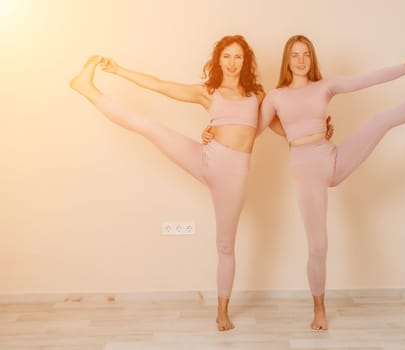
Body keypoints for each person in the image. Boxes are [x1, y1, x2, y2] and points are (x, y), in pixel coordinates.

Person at [254, 35, 405, 330]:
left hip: (333, 159)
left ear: (312, 58)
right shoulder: (275, 96)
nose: (301, 61)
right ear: (286, 60)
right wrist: (217, 130)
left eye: (306, 55)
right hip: (305, 170)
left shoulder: (324, 87)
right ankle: (319, 311)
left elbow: (369, 79)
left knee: (380, 120)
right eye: (295, 55)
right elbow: (253, 128)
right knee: (318, 246)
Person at [70, 35, 270, 331]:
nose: (231, 63)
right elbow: (160, 85)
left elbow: (276, 122)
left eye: (237, 57)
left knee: (225, 245)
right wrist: (118, 70)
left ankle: (222, 312)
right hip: (205, 157)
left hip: (233, 175)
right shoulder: (208, 92)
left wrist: (319, 130)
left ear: (246, 61)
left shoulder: (258, 95)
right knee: (149, 126)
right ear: (219, 60)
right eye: (226, 56)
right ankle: (87, 89)